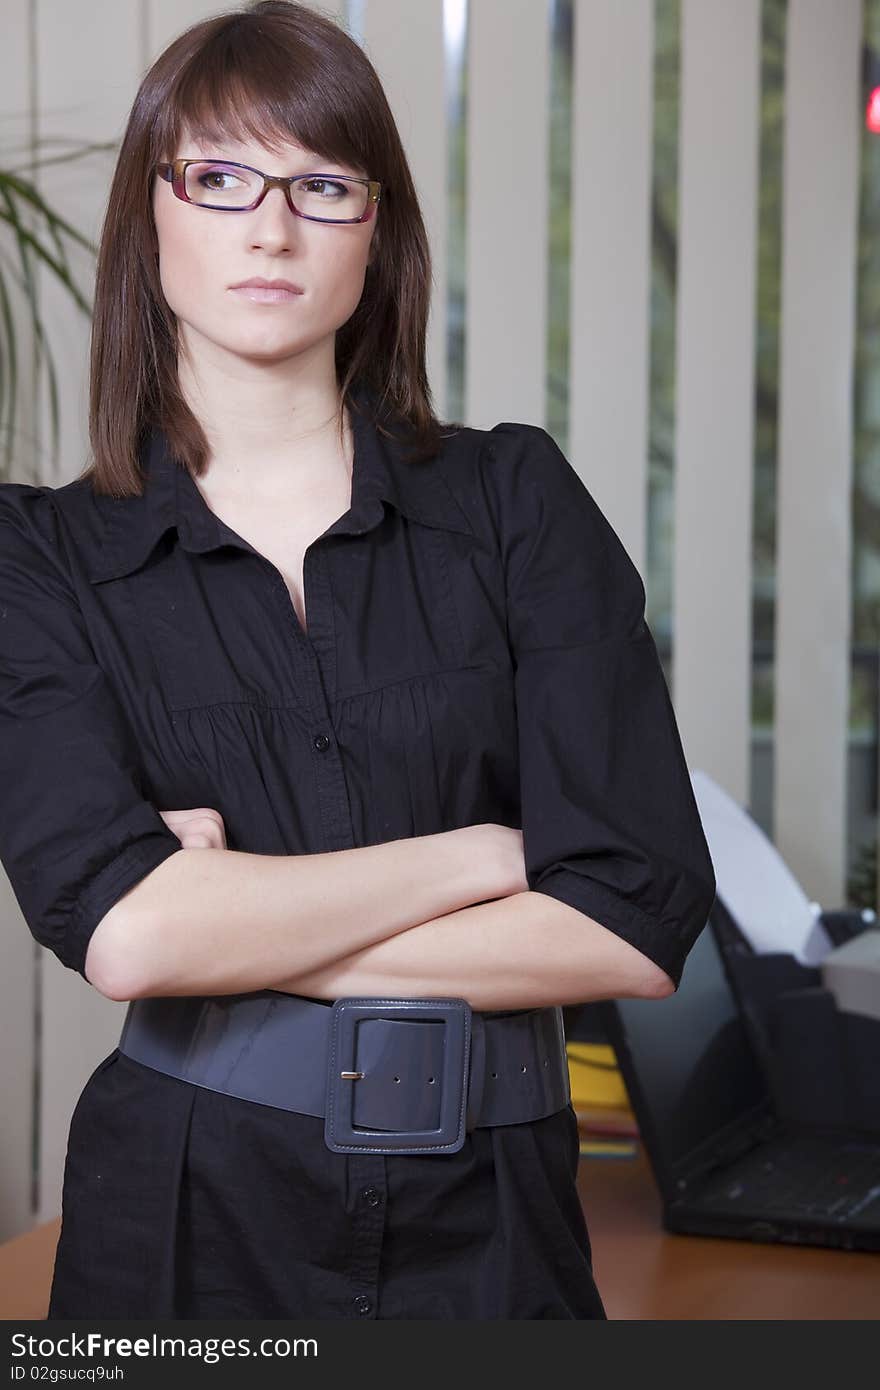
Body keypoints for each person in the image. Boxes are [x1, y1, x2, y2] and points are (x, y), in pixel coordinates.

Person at [0, 1, 716, 1320]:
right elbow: (123, 928)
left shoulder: (516, 499)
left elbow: (633, 919)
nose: (271, 226)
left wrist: (234, 924)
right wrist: (480, 855)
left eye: (322, 183)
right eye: (221, 178)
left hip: (498, 1212)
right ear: (148, 215)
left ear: (375, 227)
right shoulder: (36, 555)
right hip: (179, 1214)